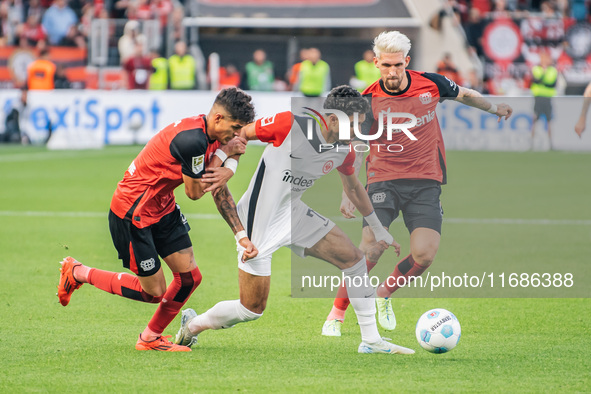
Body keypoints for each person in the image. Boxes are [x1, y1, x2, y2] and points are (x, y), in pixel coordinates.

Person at [173, 85, 415, 355]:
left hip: (293, 213)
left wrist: (378, 229)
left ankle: (371, 341)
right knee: (251, 309)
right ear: (333, 119)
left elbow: (354, 187)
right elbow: (239, 134)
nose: (358, 131)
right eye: (354, 124)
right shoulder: (289, 124)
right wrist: (226, 165)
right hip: (257, 221)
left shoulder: (344, 151)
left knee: (355, 261)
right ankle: (192, 325)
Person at [321, 30, 513, 336]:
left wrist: (494, 107)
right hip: (383, 179)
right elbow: (357, 145)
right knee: (370, 248)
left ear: (406, 62)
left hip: (425, 180)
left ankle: (382, 295)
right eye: (386, 66)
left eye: (398, 65)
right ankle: (336, 314)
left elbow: (464, 94)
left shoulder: (431, 83)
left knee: (424, 254)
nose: (392, 72)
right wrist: (348, 191)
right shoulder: (368, 99)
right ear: (376, 63)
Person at [56, 88, 258, 352]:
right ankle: (78, 272)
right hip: (133, 212)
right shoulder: (193, 140)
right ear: (218, 118)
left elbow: (216, 184)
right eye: (235, 127)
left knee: (189, 278)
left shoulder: (211, 136)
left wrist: (240, 235)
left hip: (163, 207)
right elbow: (196, 193)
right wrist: (226, 158)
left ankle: (149, 338)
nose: (237, 134)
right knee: (154, 292)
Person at [530, 50, 558, 149]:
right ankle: (531, 144)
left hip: (547, 98)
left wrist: (543, 75)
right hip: (538, 97)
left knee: (549, 121)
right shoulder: (536, 68)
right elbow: (536, 80)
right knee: (535, 120)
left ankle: (551, 144)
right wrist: (544, 73)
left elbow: (550, 82)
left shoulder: (553, 70)